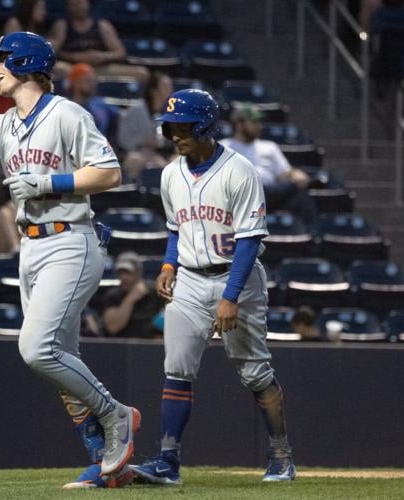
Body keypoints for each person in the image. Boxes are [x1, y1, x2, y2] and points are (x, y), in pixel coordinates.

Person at [0, 31, 140, 490]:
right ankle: (105, 462)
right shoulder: (3, 125)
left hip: (70, 238)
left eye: (3, 59)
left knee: (36, 348)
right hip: (32, 246)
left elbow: (109, 171)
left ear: (25, 62)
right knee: (62, 363)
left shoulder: (67, 113)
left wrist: (47, 184)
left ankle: (117, 416)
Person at [129, 89, 296, 485]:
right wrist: (169, 262)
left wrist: (230, 297)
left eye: (182, 126)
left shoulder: (241, 171)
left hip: (235, 279)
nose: (174, 135)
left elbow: (250, 240)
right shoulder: (171, 173)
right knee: (176, 368)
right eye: (170, 127)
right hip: (188, 277)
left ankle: (281, 456)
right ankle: (168, 461)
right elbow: (176, 228)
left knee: (255, 372)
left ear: (205, 125)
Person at [220, 105, 318, 225]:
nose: (260, 126)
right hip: (241, 194)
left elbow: (285, 174)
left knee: (302, 199)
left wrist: (296, 174)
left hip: (271, 194)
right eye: (255, 122)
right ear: (239, 124)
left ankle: (313, 239)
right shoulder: (223, 147)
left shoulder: (269, 146)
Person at [50, 0, 148, 82]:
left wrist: (102, 56)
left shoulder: (102, 25)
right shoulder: (62, 25)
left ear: (88, 3)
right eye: (73, 4)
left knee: (141, 72)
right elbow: (53, 51)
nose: (78, 7)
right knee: (59, 68)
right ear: (68, 7)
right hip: (73, 67)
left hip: (100, 68)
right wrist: (75, 57)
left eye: (80, 3)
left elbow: (120, 53)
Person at [101, 251, 164, 339]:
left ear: (138, 272)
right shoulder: (113, 296)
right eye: (121, 272)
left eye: (128, 272)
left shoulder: (153, 292)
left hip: (149, 346)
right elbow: (113, 327)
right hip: (119, 346)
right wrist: (130, 300)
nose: (124, 277)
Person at [65, 63, 120, 142]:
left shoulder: (100, 104)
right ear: (76, 83)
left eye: (94, 81)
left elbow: (123, 117)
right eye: (88, 81)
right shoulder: (65, 107)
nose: (93, 84)